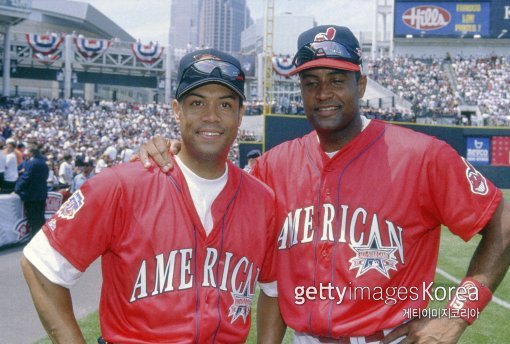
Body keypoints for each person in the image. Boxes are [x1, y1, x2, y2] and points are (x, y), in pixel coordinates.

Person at [139, 26, 510, 344]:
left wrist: (457, 315)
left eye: (337, 80)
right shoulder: (273, 166)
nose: (323, 93)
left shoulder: (423, 156)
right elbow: (217, 201)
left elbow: (503, 226)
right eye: (311, 82)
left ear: (360, 84)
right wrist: (172, 149)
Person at [21, 48, 282, 343]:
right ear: (176, 110)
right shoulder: (121, 185)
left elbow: (273, 289)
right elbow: (40, 264)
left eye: (224, 104)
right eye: (197, 103)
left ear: (240, 114)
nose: (211, 116)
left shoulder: (262, 201)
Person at [14, 145, 49, 236]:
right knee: (40, 217)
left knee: (33, 218)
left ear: (31, 153)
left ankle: (34, 238)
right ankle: (42, 236)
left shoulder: (32, 163)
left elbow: (26, 177)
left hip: (32, 195)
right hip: (41, 193)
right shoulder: (43, 163)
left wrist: (17, 190)